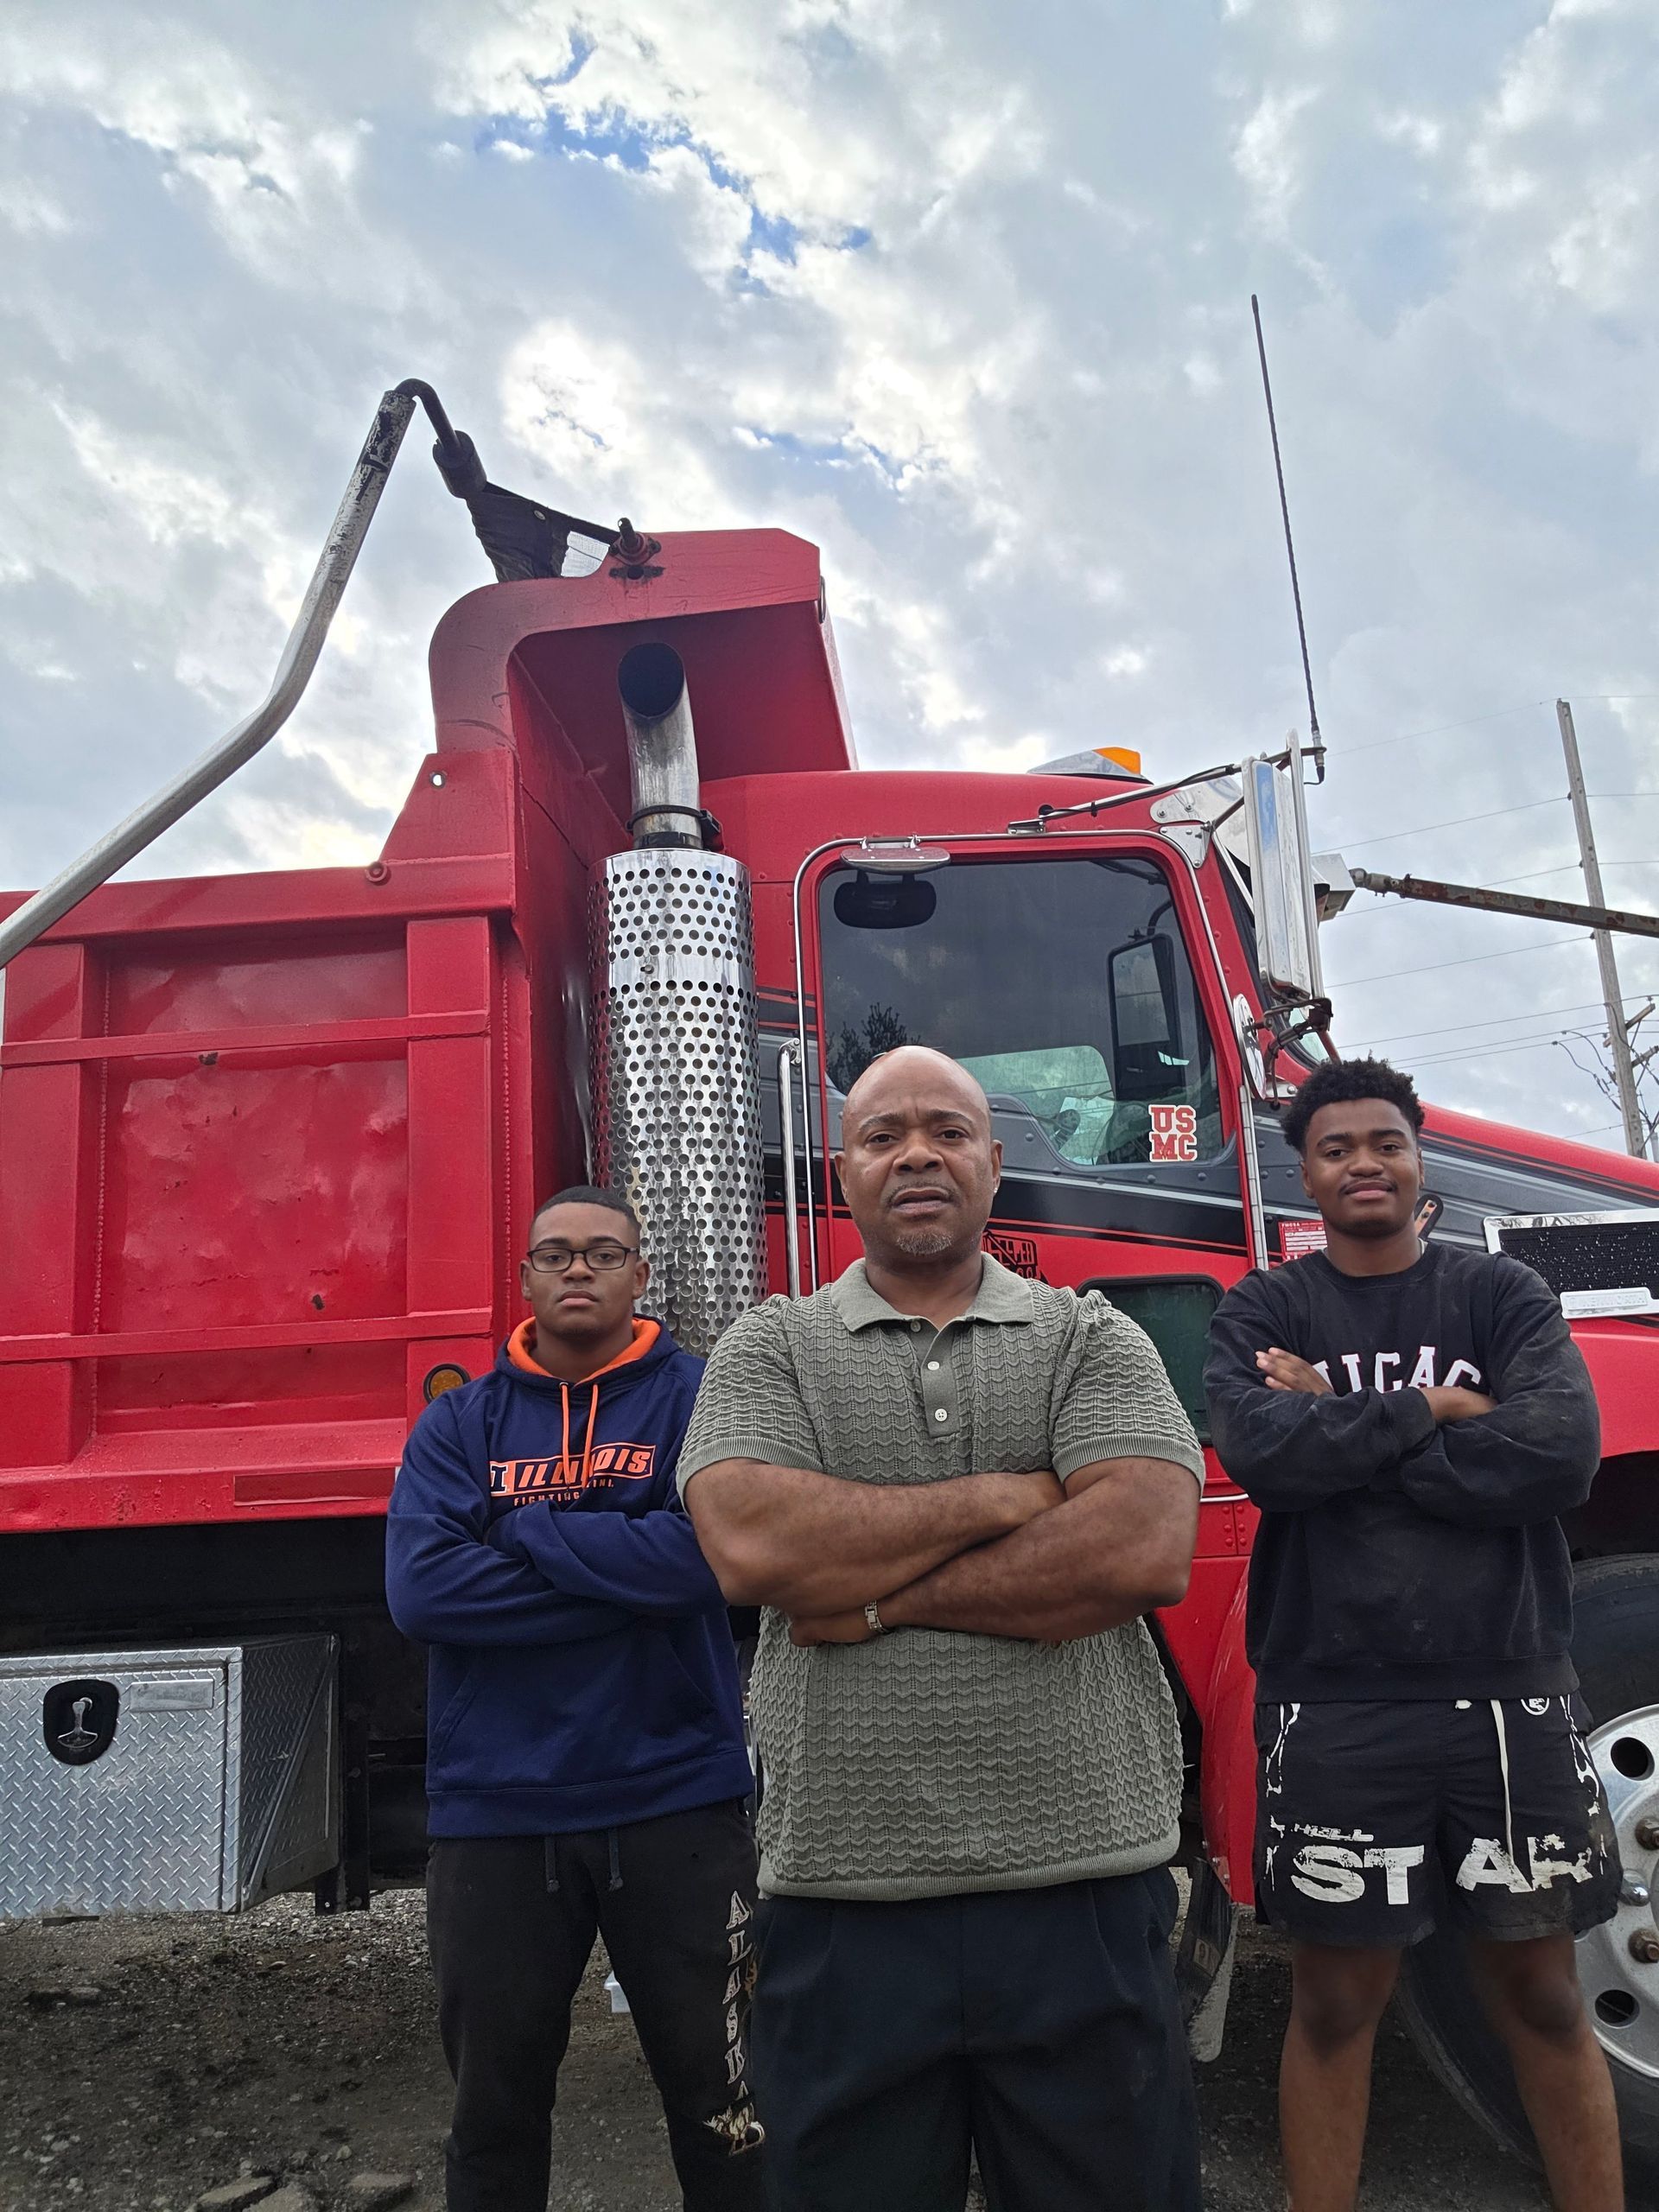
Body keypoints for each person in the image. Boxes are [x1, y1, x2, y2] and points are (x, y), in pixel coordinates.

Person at [677, 1045, 1205, 2212]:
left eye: (948, 1130)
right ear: (842, 1171)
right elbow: (753, 1548)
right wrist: (1007, 1497)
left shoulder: (1091, 1334)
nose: (918, 1152)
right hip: (842, 1910)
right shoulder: (771, 1348)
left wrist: (877, 1598)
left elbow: (1139, 1549)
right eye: (884, 1135)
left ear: (995, 1165)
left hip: (1085, 1896)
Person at [1203, 1057, 1622, 2212]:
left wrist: (1341, 1414)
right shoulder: (1263, 1310)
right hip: (1335, 1701)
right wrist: (1435, 1409)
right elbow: (1265, 1461)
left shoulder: (1502, 1296)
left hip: (1509, 1695)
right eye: (1337, 1149)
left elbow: (1558, 1456)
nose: (1363, 1164)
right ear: (1307, 1173)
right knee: (1336, 2003)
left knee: (1542, 1992)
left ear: (1417, 1156)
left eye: (1384, 1142)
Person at [386, 1186, 766, 2212]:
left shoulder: (701, 1398)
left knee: (727, 2104)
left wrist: (532, 1532)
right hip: (499, 1815)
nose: (579, 1270)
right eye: (555, 1255)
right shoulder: (459, 1423)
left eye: (605, 1252)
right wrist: (622, 1561)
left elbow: (715, 1562)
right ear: (525, 1280)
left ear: (642, 1274)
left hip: (675, 1801)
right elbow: (425, 1592)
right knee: (495, 2115)